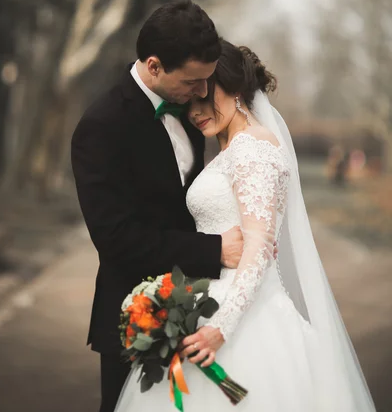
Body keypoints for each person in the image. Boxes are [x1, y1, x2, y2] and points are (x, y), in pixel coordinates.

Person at [115, 40, 377, 412]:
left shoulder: (253, 150)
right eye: (190, 99)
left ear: (236, 88)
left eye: (207, 95)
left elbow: (258, 246)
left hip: (245, 322)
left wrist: (221, 327)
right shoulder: (231, 148)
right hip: (209, 305)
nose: (196, 110)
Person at [71, 0, 249, 412]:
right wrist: (214, 250)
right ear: (154, 66)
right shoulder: (101, 126)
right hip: (135, 318)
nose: (203, 92)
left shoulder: (190, 112)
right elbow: (117, 239)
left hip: (201, 307)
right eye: (193, 81)